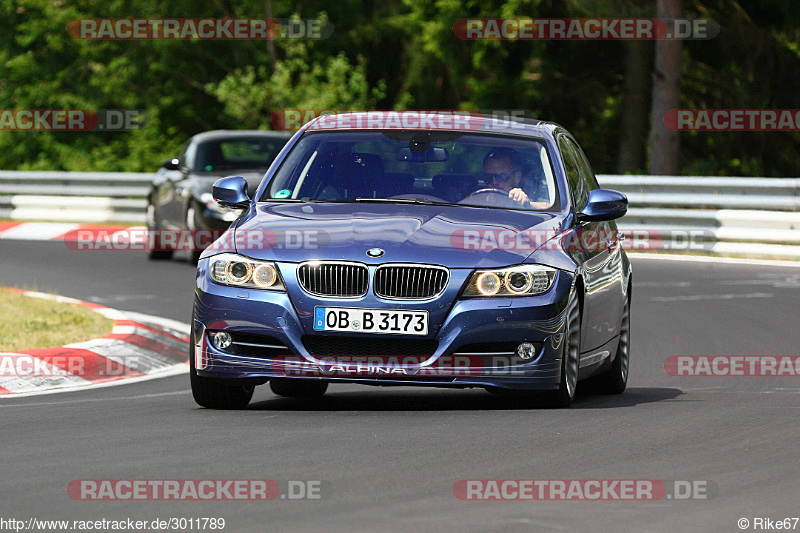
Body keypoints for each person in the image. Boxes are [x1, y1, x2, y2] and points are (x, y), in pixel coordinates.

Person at [481, 148, 549, 209]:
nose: (494, 182)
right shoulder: (477, 199)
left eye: (501, 176)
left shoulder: (536, 194)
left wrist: (526, 204)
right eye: (488, 177)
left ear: (517, 176)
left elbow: (550, 209)